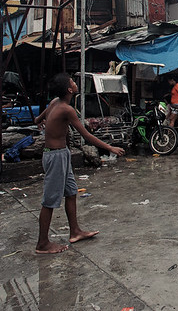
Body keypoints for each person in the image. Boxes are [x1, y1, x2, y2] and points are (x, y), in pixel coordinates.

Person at [34, 72, 125, 254]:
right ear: (69, 89)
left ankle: (75, 231)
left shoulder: (54, 103)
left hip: (60, 154)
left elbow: (38, 119)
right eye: (72, 82)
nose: (75, 83)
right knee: (50, 201)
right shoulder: (67, 110)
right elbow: (86, 135)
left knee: (71, 192)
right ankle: (42, 244)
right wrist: (110, 147)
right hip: (56, 155)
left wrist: (42, 124)